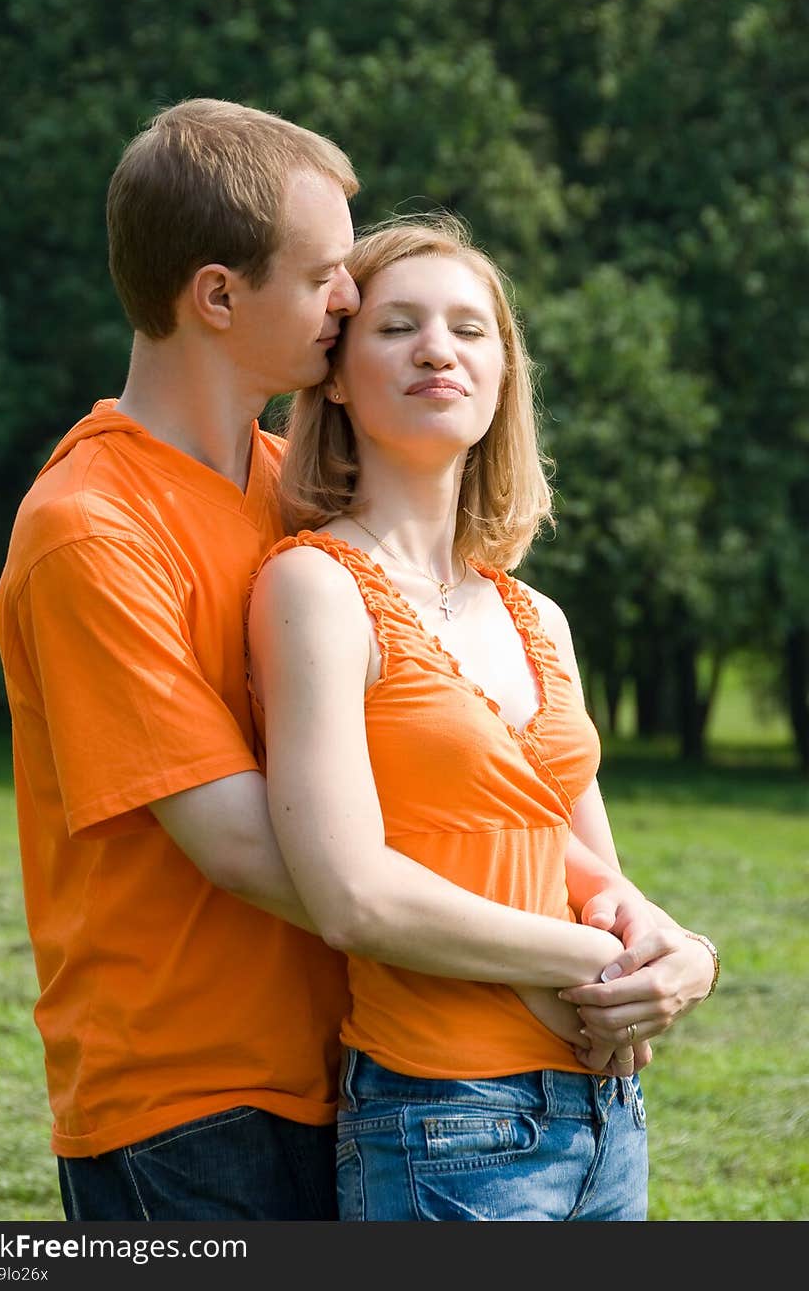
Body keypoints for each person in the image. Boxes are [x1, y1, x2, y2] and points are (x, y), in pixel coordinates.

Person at [246, 213, 720, 1221]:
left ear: (503, 373)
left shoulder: (532, 612)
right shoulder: (313, 585)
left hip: (603, 1112)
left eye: (470, 329)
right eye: (396, 326)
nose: (436, 349)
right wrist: (594, 962)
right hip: (444, 1121)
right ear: (333, 373)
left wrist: (679, 950)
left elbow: (590, 872)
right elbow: (352, 895)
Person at [0, 97, 363, 1220]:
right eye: (324, 276)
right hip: (188, 1111)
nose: (354, 298)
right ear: (216, 293)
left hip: (336, 1071)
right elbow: (243, 844)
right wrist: (509, 932)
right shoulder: (87, 529)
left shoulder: (287, 487)